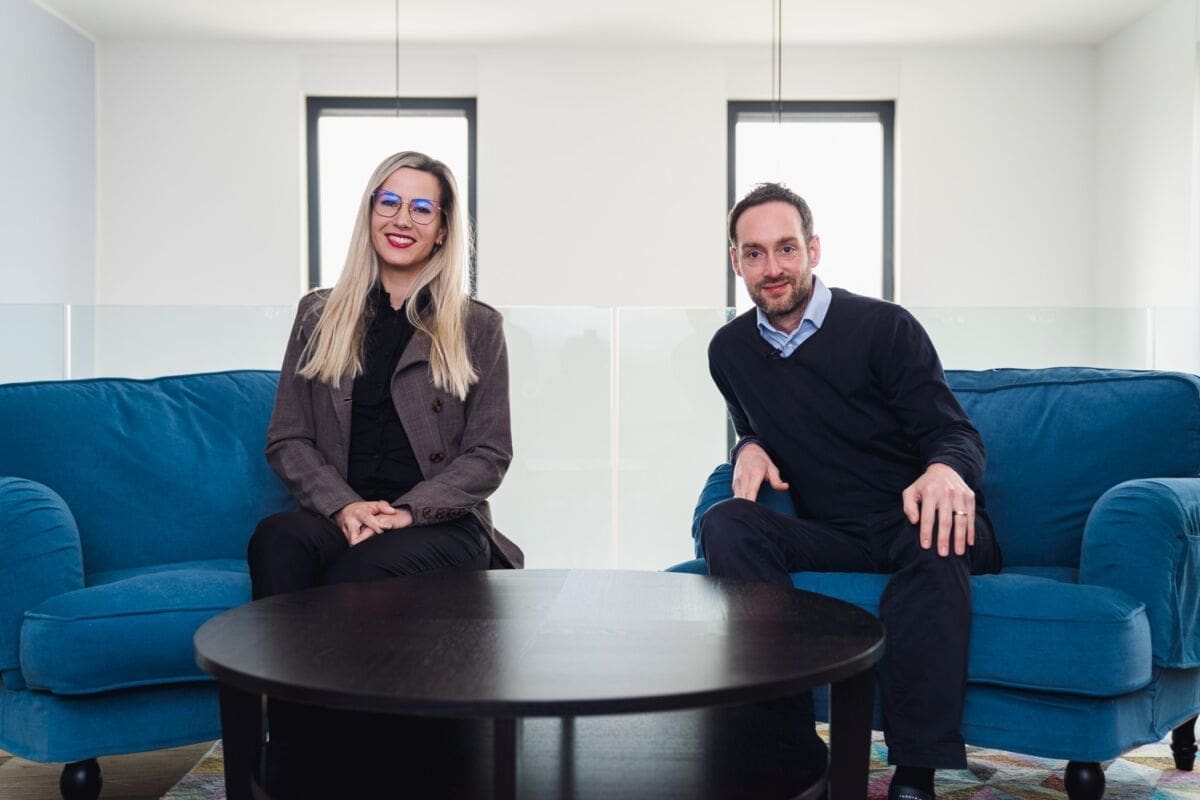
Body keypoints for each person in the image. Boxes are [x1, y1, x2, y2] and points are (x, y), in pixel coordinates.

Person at [700, 182, 1002, 800]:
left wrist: (945, 471)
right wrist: (747, 446)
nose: (772, 267)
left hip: (915, 518)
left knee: (936, 532)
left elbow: (954, 432)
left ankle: (915, 770)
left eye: (786, 248)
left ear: (813, 250)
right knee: (726, 522)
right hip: (834, 532)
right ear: (736, 262)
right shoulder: (728, 351)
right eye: (754, 253)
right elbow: (753, 425)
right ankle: (789, 749)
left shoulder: (885, 328)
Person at [248, 150, 521, 599]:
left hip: (439, 525)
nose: (402, 220)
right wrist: (344, 506)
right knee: (278, 539)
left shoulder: (478, 326)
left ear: (442, 230)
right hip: (342, 515)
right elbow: (288, 439)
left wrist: (408, 512)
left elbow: (489, 454)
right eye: (389, 202)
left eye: (422, 209)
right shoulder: (318, 315)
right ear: (370, 212)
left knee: (361, 568)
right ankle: (276, 654)